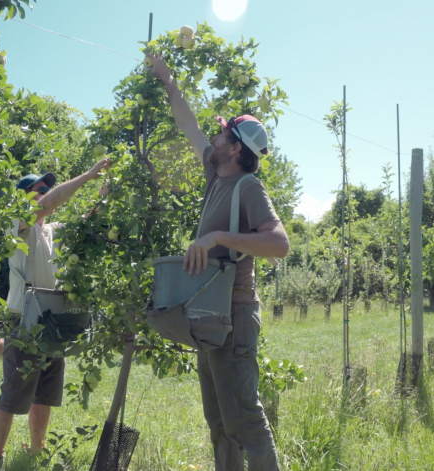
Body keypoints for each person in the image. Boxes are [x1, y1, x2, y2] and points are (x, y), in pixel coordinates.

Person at [147, 53, 290, 471]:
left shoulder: (248, 187)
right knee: (218, 422)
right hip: (210, 314)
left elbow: (279, 244)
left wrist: (217, 237)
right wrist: (167, 79)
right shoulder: (216, 175)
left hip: (236, 312)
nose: (216, 135)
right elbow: (187, 124)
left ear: (236, 149)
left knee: (244, 420)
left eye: (224, 132)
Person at [0, 158, 110, 467]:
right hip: (24, 322)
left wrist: (105, 194)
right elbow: (52, 204)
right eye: (39, 189)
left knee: (45, 393)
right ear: (24, 197)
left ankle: (36, 449)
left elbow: (85, 221)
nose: (46, 192)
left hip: (51, 320)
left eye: (47, 188)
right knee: (14, 393)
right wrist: (89, 174)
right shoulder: (18, 226)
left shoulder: (52, 232)